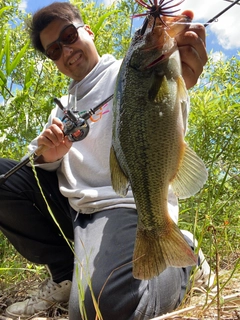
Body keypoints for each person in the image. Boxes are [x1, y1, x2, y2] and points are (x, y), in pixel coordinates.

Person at [0, 2, 212, 319]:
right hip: (74, 212)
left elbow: (168, 114)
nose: (66, 50)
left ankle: (183, 260)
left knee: (102, 308)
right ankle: (65, 273)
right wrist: (47, 155)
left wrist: (181, 76)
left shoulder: (127, 71)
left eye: (69, 35)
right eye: (54, 50)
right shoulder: (61, 109)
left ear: (88, 31)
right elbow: (29, 169)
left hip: (123, 205)